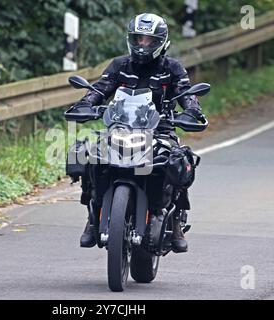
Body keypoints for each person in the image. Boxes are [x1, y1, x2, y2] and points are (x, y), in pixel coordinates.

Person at [71, 13, 205, 253]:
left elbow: (186, 94)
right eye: (138, 39)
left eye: (149, 40)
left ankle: (175, 222)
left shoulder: (172, 68)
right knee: (89, 156)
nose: (142, 45)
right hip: (120, 128)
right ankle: (93, 216)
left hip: (159, 130)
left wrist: (192, 111)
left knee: (178, 158)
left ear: (161, 42)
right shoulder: (119, 65)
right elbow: (101, 88)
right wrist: (86, 103)